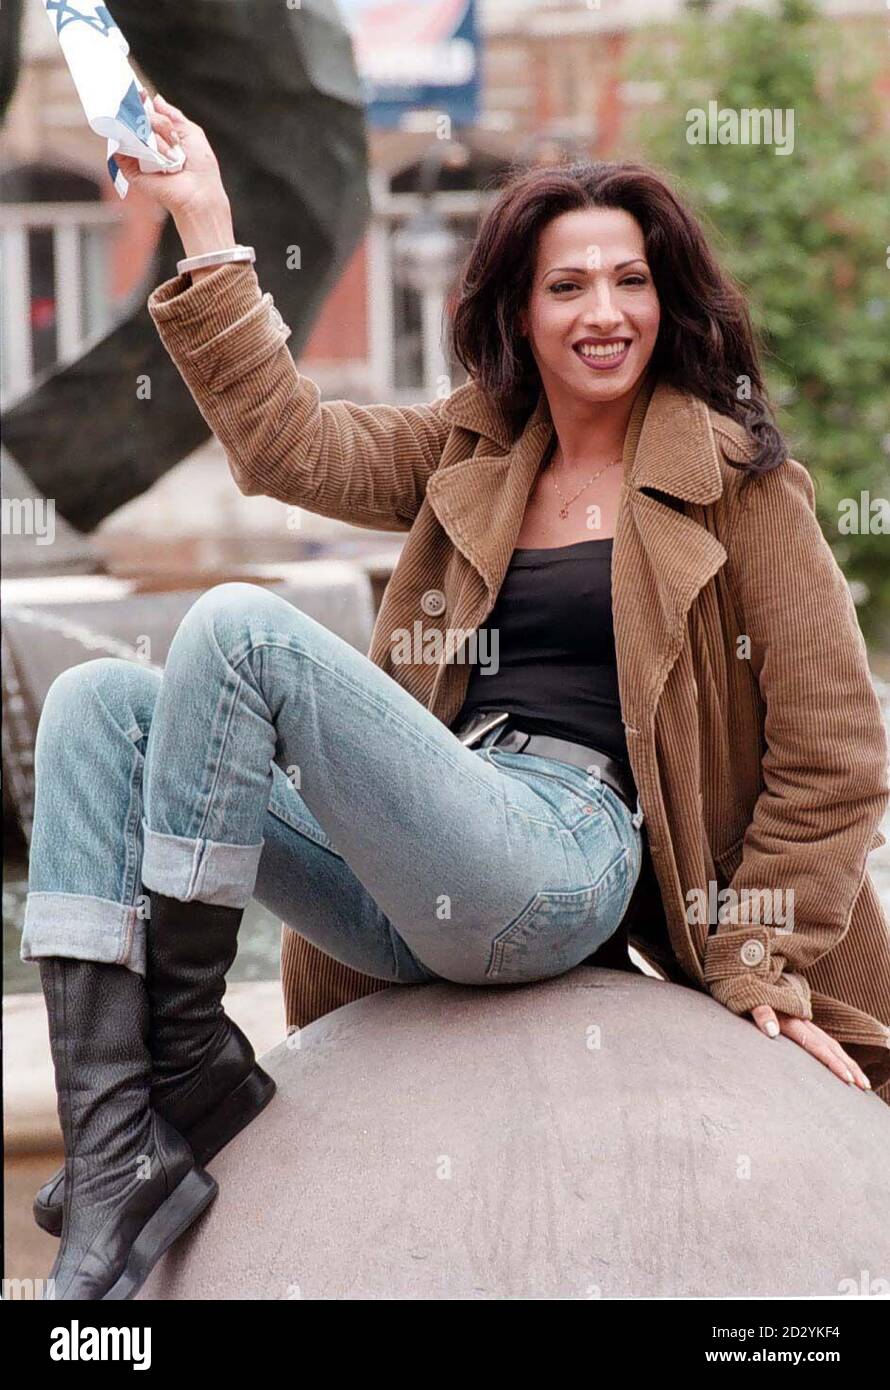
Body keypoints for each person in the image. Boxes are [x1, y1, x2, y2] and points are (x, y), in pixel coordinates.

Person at [21, 96, 889, 1301]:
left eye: (628, 282)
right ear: (517, 314)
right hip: (422, 854)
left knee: (237, 628)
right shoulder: (470, 452)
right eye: (566, 287)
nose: (602, 313)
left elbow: (836, 751)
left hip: (557, 854)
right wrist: (205, 218)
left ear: (664, 298)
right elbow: (286, 447)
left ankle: (187, 1057)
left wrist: (758, 956)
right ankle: (116, 1143)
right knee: (95, 705)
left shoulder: (740, 483)